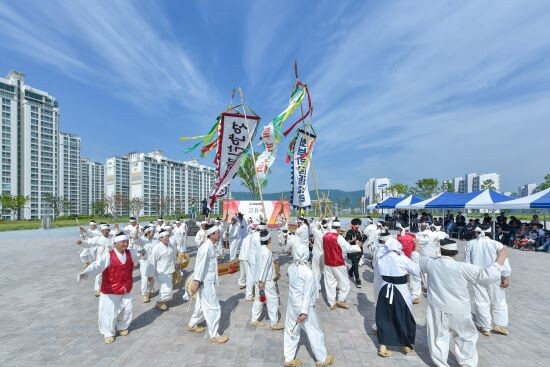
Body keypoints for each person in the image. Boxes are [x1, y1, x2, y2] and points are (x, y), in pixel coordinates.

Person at [420, 239, 509, 367]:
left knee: (438, 339)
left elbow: (419, 259)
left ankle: (441, 364)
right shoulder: (462, 267)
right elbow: (488, 275)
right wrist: (501, 257)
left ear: (439, 251)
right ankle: (467, 363)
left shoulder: (430, 264)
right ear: (455, 253)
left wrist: (422, 248)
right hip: (460, 311)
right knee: (466, 338)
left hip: (437, 309)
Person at [77, 232, 142, 344]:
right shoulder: (108, 256)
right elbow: (97, 265)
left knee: (127, 310)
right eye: (123, 242)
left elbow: (140, 254)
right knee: (109, 313)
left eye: (127, 242)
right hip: (110, 291)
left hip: (126, 288)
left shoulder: (130, 253)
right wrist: (86, 273)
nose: (126, 244)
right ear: (115, 243)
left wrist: (144, 252)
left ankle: (121, 326)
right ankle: (108, 333)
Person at [283, 243, 334, 367]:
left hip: (292, 305)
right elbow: (306, 294)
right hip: (305, 308)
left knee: (291, 331)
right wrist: (304, 312)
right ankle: (322, 359)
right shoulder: (308, 273)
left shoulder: (291, 268)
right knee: (315, 332)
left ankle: (289, 359)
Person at [374, 230, 420, 357]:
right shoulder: (402, 258)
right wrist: (416, 251)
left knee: (384, 317)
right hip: (401, 290)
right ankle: (406, 344)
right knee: (405, 316)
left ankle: (383, 345)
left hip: (385, 289)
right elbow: (416, 270)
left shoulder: (381, 257)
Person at [465, 228, 512, 336]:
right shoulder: (497, 244)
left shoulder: (470, 244)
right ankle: (500, 324)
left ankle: (485, 327)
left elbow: (467, 262)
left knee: (481, 301)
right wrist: (505, 277)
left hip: (477, 276)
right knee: (498, 300)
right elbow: (504, 261)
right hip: (494, 275)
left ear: (477, 233)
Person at [187, 224, 229, 344]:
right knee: (214, 308)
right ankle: (214, 335)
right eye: (217, 233)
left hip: (207, 281)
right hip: (205, 283)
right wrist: (196, 282)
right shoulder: (206, 247)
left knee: (200, 305)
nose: (219, 234)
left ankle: (192, 324)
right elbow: (199, 265)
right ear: (211, 235)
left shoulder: (211, 246)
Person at [322, 218, 361, 309]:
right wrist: (357, 246)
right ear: (338, 228)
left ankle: (332, 303)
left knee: (329, 283)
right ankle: (340, 299)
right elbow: (347, 248)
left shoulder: (324, 235)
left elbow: (322, 247)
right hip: (338, 262)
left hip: (327, 262)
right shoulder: (338, 237)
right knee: (345, 283)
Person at [250, 230, 284, 330]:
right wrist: (261, 282)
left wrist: (259, 281)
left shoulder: (259, 249)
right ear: (269, 239)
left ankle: (254, 319)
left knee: (260, 299)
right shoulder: (267, 252)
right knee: (273, 300)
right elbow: (263, 268)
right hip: (266, 281)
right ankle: (274, 323)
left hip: (258, 279)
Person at [76, 223, 115, 296]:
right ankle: (97, 289)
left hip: (112, 258)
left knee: (112, 273)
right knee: (99, 274)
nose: (105, 232)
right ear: (102, 231)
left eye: (107, 230)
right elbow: (88, 243)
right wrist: (81, 243)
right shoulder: (98, 238)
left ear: (109, 230)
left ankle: (111, 287)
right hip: (101, 259)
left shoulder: (113, 237)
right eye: (104, 230)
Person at [147, 229, 176, 311]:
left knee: (165, 289)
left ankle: (162, 301)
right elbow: (152, 261)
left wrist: (175, 265)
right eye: (166, 237)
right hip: (161, 273)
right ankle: (159, 301)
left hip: (169, 271)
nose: (168, 238)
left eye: (168, 236)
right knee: (168, 290)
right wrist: (150, 275)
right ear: (160, 238)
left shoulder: (170, 245)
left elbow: (172, 257)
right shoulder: (157, 248)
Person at [396, 224, 421, 304]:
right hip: (413, 257)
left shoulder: (398, 237)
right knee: (414, 276)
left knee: (402, 276)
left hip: (401, 258)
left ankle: (402, 293)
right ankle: (415, 295)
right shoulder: (414, 236)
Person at [134, 226, 157, 303]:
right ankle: (144, 294)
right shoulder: (142, 240)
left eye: (153, 232)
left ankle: (150, 291)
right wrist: (136, 229)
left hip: (153, 262)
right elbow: (135, 239)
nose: (153, 233)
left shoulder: (155, 240)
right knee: (144, 278)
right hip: (144, 262)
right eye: (152, 232)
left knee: (152, 278)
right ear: (147, 232)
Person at [345, 218, 367, 288]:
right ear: (353, 225)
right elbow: (346, 242)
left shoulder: (359, 232)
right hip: (352, 251)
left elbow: (362, 240)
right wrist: (352, 240)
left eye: (358, 225)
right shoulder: (349, 232)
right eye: (356, 225)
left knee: (355, 264)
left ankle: (351, 271)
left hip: (359, 251)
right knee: (356, 265)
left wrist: (362, 241)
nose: (358, 226)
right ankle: (358, 280)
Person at [238, 222, 256, 292]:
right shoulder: (253, 238)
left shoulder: (246, 238)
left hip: (241, 256)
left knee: (242, 272)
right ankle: (250, 290)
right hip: (246, 257)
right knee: (249, 274)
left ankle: (241, 283)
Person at [311, 219, 328, 289]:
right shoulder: (328, 233)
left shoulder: (316, 232)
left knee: (316, 270)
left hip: (316, 253)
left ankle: (317, 286)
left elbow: (313, 226)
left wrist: (319, 221)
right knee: (324, 271)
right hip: (324, 254)